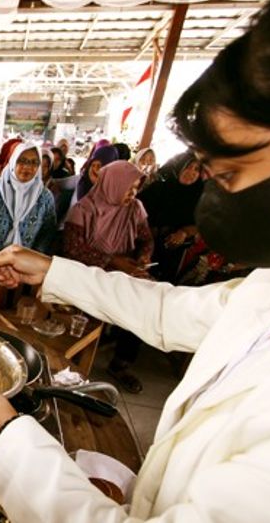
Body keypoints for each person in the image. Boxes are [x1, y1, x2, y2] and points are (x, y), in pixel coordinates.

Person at [0, 1, 270, 520]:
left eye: (232, 175)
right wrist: (51, 269)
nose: (215, 202)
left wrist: (6, 438)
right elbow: (170, 312)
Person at [63, 160, 153, 392]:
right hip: (90, 273)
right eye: (128, 187)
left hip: (124, 272)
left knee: (143, 302)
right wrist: (113, 261)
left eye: (136, 188)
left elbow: (146, 239)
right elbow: (73, 249)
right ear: (114, 184)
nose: (132, 193)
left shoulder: (135, 209)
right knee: (87, 311)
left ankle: (121, 364)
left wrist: (143, 257)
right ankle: (75, 361)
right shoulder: (85, 209)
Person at [0, 144, 57, 309]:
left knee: (12, 312)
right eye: (22, 160)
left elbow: (48, 231)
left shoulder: (45, 197)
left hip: (24, 266)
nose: (28, 166)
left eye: (34, 162)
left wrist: (35, 256)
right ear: (13, 161)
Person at [138, 151, 204, 283]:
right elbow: (136, 213)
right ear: (178, 166)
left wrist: (184, 232)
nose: (192, 172)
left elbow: (201, 224)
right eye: (188, 167)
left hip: (174, 255)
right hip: (143, 248)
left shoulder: (198, 197)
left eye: (197, 169)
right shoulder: (157, 189)